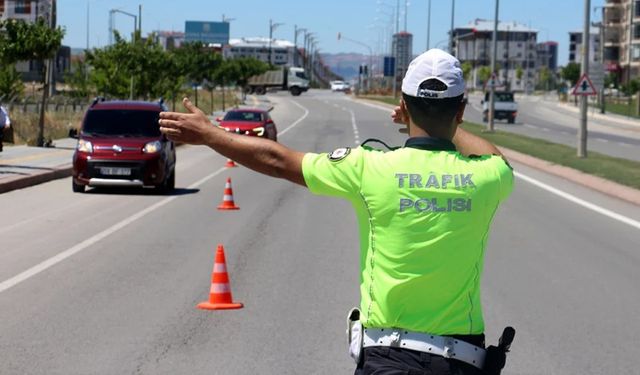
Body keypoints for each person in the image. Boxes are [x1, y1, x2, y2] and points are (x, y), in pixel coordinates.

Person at [158, 48, 513, 375]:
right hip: (462, 362)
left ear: (403, 104)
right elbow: (497, 158)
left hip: (388, 360)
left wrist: (210, 134)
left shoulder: (369, 167)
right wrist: (450, 125)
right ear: (461, 110)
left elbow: (279, 160)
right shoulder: (486, 176)